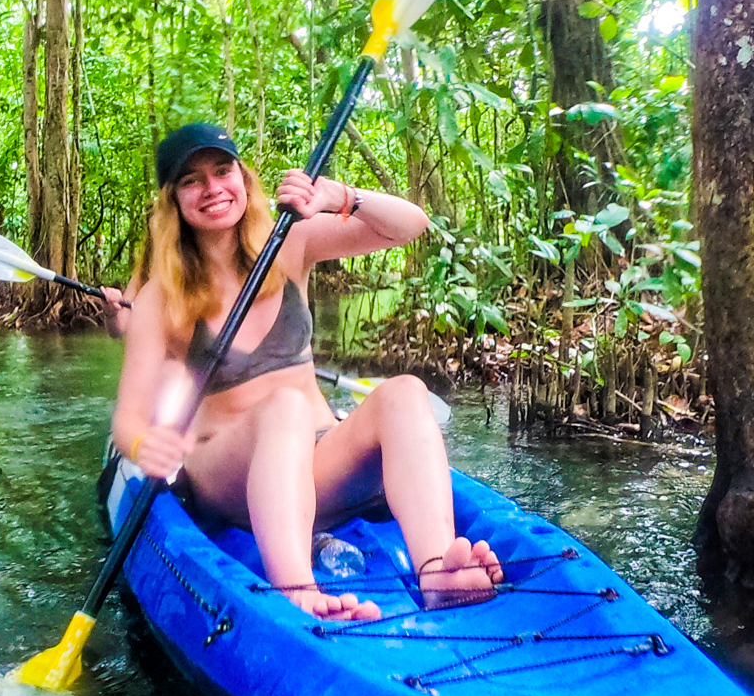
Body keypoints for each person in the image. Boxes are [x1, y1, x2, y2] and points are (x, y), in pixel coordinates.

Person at [112, 123, 501, 621]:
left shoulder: (288, 242)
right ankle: (296, 587)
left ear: (243, 178)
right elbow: (128, 422)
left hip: (314, 461)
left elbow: (411, 225)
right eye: (191, 180)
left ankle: (437, 571)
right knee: (286, 406)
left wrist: (340, 196)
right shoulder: (159, 298)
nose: (212, 188)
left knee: (405, 391)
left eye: (222, 170)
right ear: (172, 201)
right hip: (227, 477)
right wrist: (147, 446)